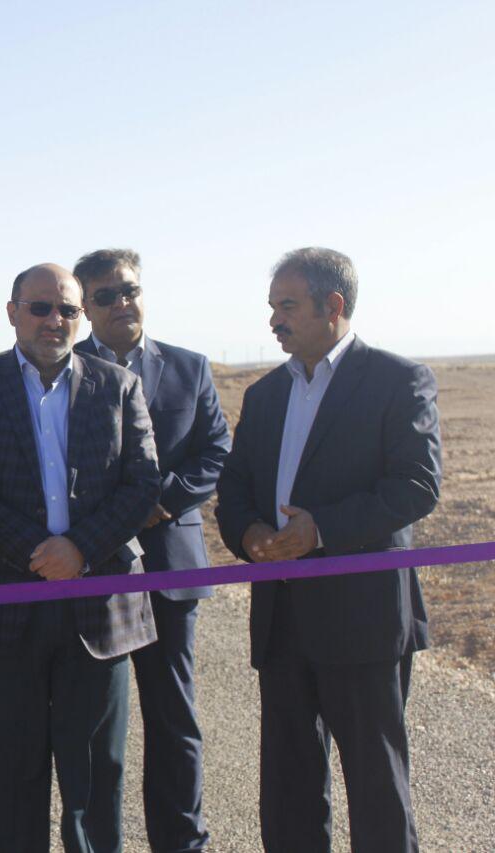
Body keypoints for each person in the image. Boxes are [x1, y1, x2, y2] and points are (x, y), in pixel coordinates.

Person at [215, 247, 441, 853]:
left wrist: (321, 531)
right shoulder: (265, 395)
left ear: (333, 305)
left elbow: (417, 486)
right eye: (272, 307)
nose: (274, 321)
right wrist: (250, 534)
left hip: (362, 619)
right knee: (288, 786)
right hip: (282, 617)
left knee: (375, 785)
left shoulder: (397, 381)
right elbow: (234, 490)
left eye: (287, 306)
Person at [0, 263, 160, 853]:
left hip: (98, 609)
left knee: (96, 778)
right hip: (2, 608)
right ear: (12, 313)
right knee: (7, 775)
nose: (54, 320)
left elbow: (143, 483)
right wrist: (38, 554)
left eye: (67, 310)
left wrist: (80, 549)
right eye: (40, 308)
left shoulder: (118, 386)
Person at [73, 249, 230, 852]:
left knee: (174, 718)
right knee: (96, 726)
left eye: (130, 290)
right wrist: (116, 515)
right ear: (85, 307)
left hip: (169, 564)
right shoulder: (66, 368)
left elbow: (215, 450)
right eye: (105, 296)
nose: (122, 303)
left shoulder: (189, 367)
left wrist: (160, 500)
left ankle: (182, 841)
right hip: (97, 568)